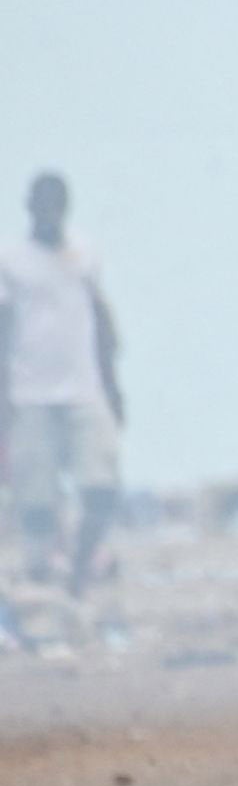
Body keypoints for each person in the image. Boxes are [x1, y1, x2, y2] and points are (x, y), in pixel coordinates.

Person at [0, 171, 123, 594]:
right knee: (37, 500)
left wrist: (113, 386)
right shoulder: (11, 261)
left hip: (84, 391)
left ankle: (80, 569)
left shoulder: (84, 253)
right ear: (30, 209)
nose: (51, 215)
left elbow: (100, 320)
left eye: (58, 207)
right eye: (44, 206)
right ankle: (40, 571)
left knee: (102, 488)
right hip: (29, 395)